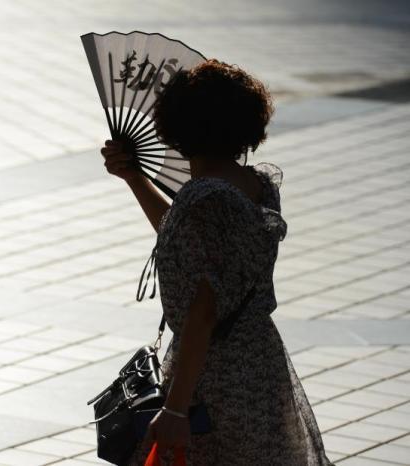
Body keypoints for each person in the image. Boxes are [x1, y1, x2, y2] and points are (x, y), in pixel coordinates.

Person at [100, 59, 334, 465]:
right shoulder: (256, 185)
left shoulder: (202, 199)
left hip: (214, 373)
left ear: (177, 128)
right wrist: (136, 179)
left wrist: (175, 409)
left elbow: (203, 313)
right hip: (259, 360)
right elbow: (190, 244)